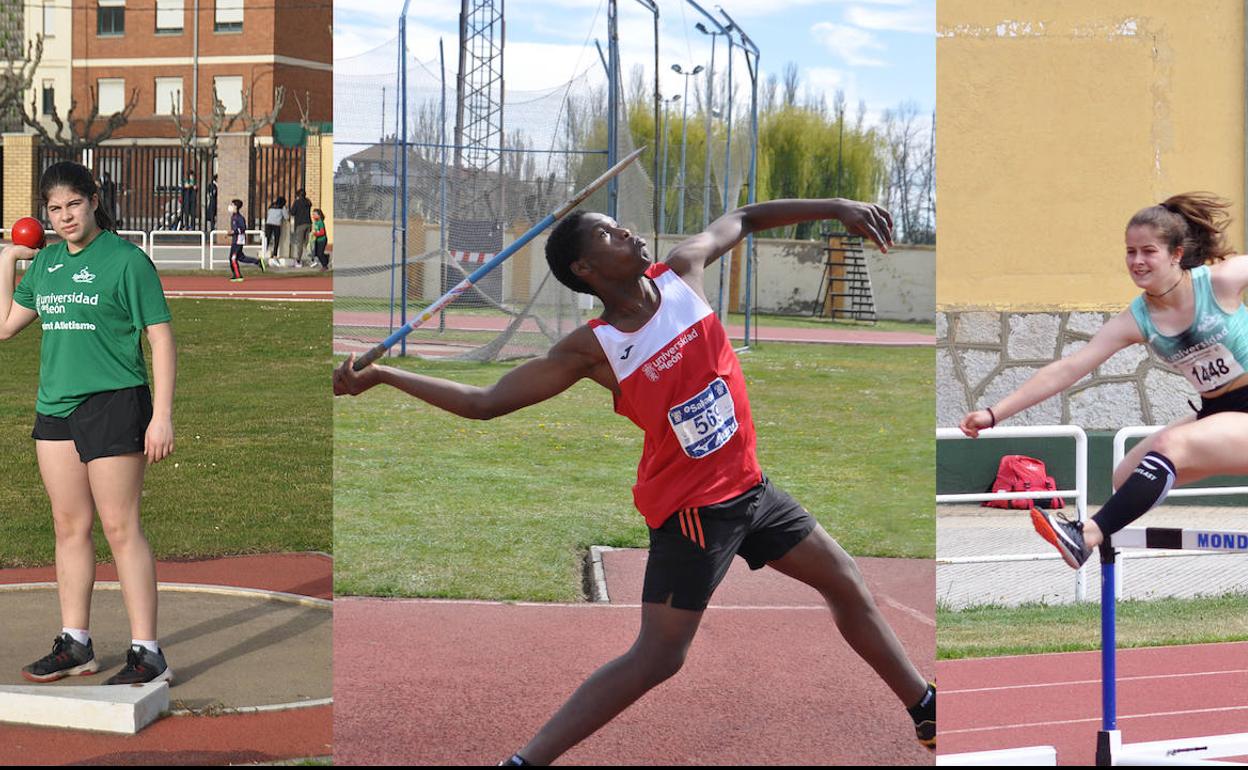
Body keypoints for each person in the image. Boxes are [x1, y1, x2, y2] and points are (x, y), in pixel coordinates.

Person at [334, 197, 937, 762]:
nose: (626, 231)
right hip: (693, 510)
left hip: (751, 489)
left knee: (846, 582)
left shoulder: (682, 273)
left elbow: (746, 217)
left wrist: (836, 209)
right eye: (607, 232)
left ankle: (924, 705)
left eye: (620, 224)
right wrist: (386, 376)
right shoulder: (594, 348)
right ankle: (525, 760)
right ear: (585, 268)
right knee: (659, 656)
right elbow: (484, 400)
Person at [959, 193, 1248, 568]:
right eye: (1130, 252)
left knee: (1173, 444)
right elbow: (1068, 368)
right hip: (1219, 412)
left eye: (1148, 251)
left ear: (1176, 254)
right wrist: (993, 413)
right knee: (1126, 475)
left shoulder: (1221, 281)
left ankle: (1087, 535)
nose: (1137, 262)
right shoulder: (1139, 317)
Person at [0, 161, 176, 685]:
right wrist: (10, 258)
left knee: (121, 527)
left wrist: (161, 416)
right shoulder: (47, 264)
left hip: (115, 403)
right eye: (54, 209)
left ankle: (148, 653)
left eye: (73, 204)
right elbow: (5, 326)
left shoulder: (126, 261)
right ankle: (75, 643)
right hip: (55, 407)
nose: (64, 217)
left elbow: (160, 339)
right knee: (68, 526)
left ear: (94, 200)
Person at [228, 198, 265, 282]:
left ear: (236, 207)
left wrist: (233, 232)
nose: (230, 207)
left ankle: (238, 276)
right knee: (241, 257)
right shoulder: (233, 217)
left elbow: (243, 228)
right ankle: (257, 262)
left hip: (238, 241)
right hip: (235, 240)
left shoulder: (239, 217)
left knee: (233, 258)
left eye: (232, 205)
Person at [290, 189, 313, 267]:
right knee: (307, 243)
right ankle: (311, 259)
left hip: (300, 224)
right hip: (309, 223)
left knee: (299, 243)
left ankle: (298, 260)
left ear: (298, 195)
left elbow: (292, 212)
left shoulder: (297, 202)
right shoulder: (308, 202)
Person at [265, 196, 288, 263]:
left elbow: (268, 214)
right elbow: (286, 217)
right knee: (276, 240)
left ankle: (265, 251)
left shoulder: (271, 206)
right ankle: (275, 254)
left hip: (268, 223)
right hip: (276, 225)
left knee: (267, 238)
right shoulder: (282, 207)